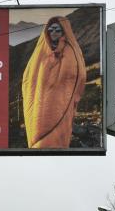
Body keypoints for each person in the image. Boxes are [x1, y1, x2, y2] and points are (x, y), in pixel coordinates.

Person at [22, 16, 87, 149]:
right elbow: (29, 78)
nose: (53, 33)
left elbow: (78, 75)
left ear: (64, 31)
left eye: (57, 30)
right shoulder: (40, 53)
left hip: (62, 101)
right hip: (40, 103)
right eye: (50, 30)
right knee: (38, 126)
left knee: (58, 132)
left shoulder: (72, 51)